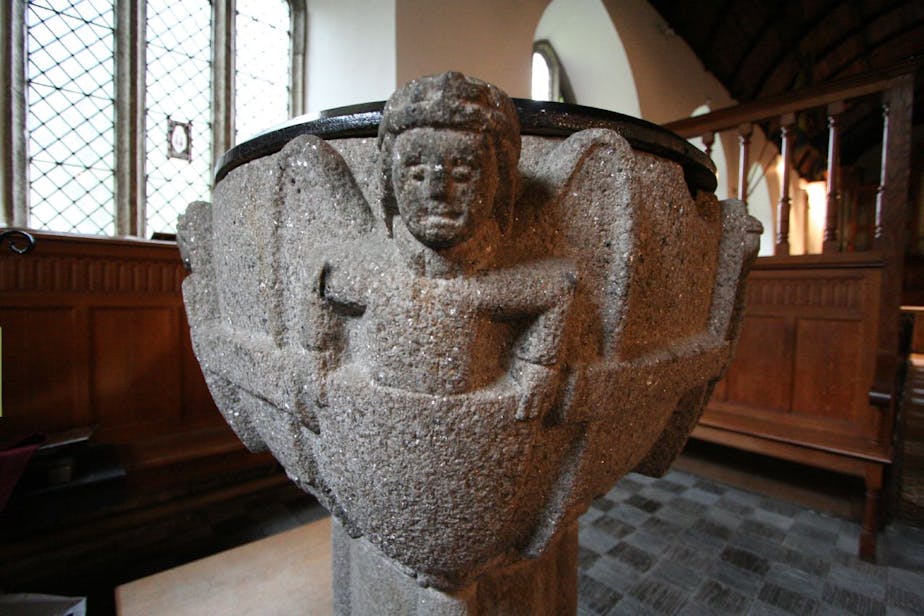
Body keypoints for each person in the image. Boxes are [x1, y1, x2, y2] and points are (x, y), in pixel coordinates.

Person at [319, 72, 575, 420]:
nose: (438, 190)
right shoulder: (373, 279)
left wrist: (538, 368)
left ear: (500, 185)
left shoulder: (490, 288)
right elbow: (321, 278)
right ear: (389, 183)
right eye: (417, 173)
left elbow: (559, 288)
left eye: (463, 172)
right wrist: (318, 355)